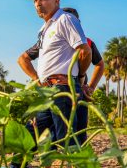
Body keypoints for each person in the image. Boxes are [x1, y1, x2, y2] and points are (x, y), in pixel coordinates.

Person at [9, 0, 92, 168]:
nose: (39, 3)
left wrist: (78, 79)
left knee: (67, 140)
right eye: (36, 0)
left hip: (63, 89)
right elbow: (24, 58)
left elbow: (84, 51)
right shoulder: (45, 28)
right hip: (48, 90)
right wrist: (37, 80)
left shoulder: (65, 19)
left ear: (57, 0)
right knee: (33, 131)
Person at [22, 7, 104, 146]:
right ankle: (24, 165)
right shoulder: (49, 38)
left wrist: (89, 87)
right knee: (49, 133)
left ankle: (75, 166)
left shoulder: (86, 42)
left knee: (74, 135)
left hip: (75, 89)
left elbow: (99, 64)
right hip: (54, 88)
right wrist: (39, 80)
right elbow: (23, 59)